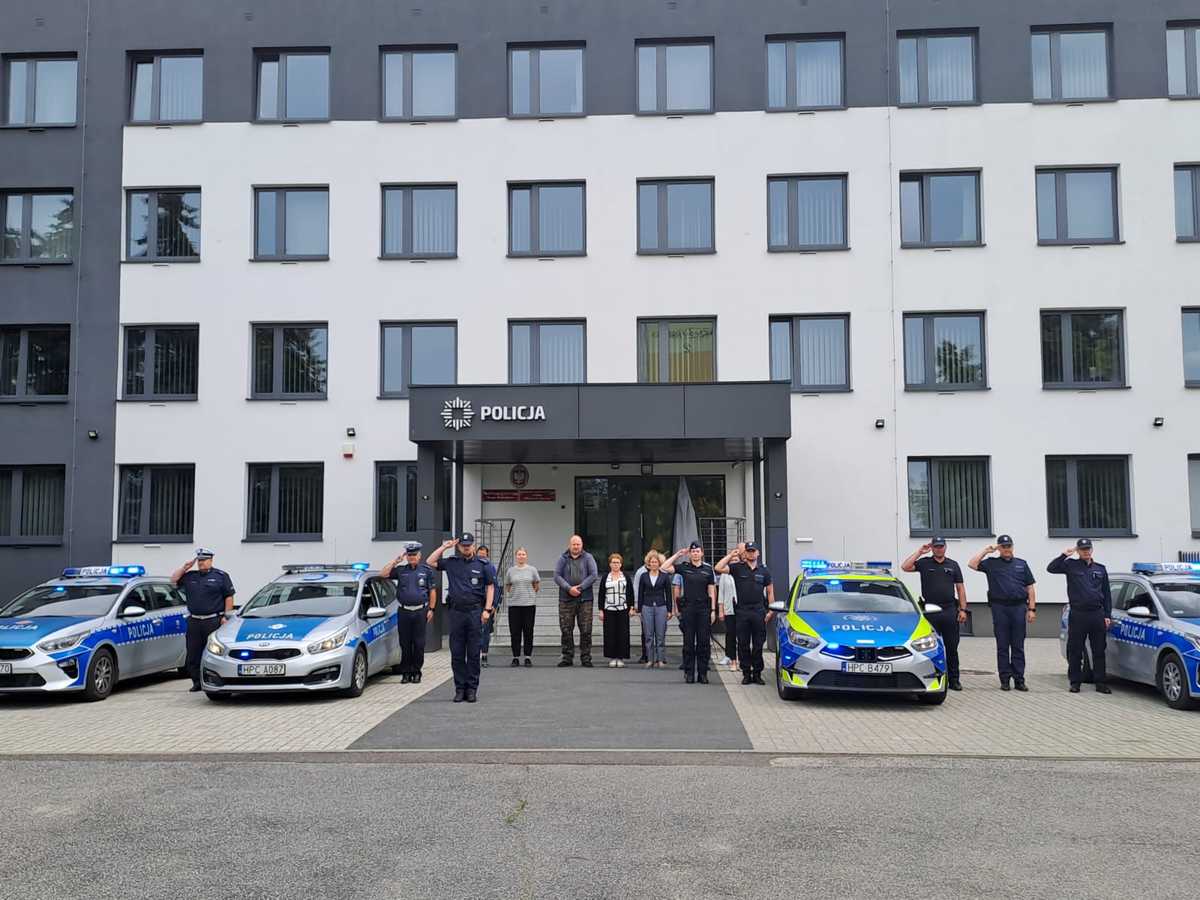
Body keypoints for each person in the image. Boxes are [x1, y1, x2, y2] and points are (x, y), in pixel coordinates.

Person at [428, 533, 494, 703]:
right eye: (463, 545)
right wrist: (444, 547)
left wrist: (487, 609)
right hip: (456, 613)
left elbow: (490, 587)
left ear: (473, 545)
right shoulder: (452, 563)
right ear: (458, 546)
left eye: (468, 545)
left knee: (473, 654)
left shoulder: (483, 564)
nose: (466, 547)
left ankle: (471, 689)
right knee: (457, 653)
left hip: (475, 612)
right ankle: (459, 689)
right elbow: (430, 561)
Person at [968, 535, 1037, 692]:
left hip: (1019, 607)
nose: (1007, 549)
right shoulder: (991, 563)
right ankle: (1005, 679)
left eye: (1009, 546)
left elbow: (1030, 587)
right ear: (999, 548)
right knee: (1003, 645)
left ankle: (1019, 679)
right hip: (1000, 608)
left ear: (1012, 547)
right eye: (1003, 546)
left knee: (1018, 645)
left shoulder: (1021, 564)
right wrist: (986, 551)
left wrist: (1032, 609)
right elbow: (972, 564)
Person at [901, 537, 968, 691]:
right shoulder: (924, 563)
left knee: (952, 647)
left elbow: (960, 588)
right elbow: (905, 567)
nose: (939, 549)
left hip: (949, 610)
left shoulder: (953, 565)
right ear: (932, 548)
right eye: (936, 546)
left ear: (945, 547)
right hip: (930, 610)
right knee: (929, 648)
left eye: (941, 546)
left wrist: (963, 609)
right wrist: (919, 552)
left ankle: (954, 680)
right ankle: (932, 679)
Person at [1047, 539, 1113, 695]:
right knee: (1075, 650)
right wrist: (1064, 555)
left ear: (1092, 550)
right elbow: (1051, 568)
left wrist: (1107, 615)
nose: (1086, 551)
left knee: (1099, 650)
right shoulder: (1071, 565)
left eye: (1088, 548)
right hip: (1078, 613)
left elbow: (1107, 594)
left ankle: (1100, 682)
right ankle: (1075, 682)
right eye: (1082, 549)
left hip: (1097, 613)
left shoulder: (1100, 569)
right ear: (1078, 551)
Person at [170, 548, 235, 693]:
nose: (201, 563)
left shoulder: (221, 576)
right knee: (193, 653)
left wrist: (226, 616)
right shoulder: (190, 576)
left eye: (204, 560)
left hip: (213, 620)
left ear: (211, 560)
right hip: (194, 621)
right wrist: (185, 567)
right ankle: (197, 682)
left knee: (214, 652)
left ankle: (214, 680)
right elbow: (173, 581)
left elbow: (229, 596)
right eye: (199, 560)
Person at [715, 541, 775, 685]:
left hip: (758, 611)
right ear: (745, 553)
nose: (751, 554)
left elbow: (770, 591)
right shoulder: (737, 568)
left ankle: (757, 673)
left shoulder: (764, 571)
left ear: (758, 553)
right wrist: (731, 555)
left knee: (758, 645)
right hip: (742, 612)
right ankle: (746, 673)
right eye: (748, 551)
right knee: (743, 644)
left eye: (753, 551)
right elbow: (718, 568)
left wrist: (771, 610)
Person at [381, 541, 437, 684]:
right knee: (405, 643)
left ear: (419, 556)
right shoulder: (401, 570)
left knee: (419, 644)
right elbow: (383, 574)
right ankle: (406, 672)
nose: (412, 557)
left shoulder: (426, 571)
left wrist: (431, 609)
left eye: (414, 555)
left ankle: (416, 671)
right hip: (404, 611)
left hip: (420, 611)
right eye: (409, 555)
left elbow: (432, 591)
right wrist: (395, 561)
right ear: (406, 556)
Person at [665, 542, 720, 684]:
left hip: (704, 609)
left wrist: (713, 610)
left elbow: (711, 591)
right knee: (688, 643)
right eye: (693, 552)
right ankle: (689, 673)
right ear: (690, 554)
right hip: (688, 609)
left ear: (702, 553)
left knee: (703, 643)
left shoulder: (708, 570)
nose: (695, 554)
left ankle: (703, 674)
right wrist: (678, 554)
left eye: (697, 551)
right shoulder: (684, 567)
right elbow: (664, 567)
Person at [553, 534, 598, 668]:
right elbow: (556, 576)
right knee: (566, 629)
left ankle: (586, 657)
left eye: (578, 544)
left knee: (586, 630)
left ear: (582, 545)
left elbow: (594, 575)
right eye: (574, 544)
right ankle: (567, 657)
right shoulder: (563, 558)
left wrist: (580, 587)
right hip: (566, 599)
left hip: (585, 599)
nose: (576, 547)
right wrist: (569, 588)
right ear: (570, 545)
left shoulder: (588, 558)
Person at [636, 550, 673, 668]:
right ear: (648, 563)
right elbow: (640, 593)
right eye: (651, 562)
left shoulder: (665, 576)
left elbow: (668, 594)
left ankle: (660, 659)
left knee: (660, 635)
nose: (653, 564)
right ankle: (650, 659)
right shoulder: (643, 576)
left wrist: (669, 610)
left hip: (661, 607)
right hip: (646, 607)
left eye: (655, 562)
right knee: (648, 635)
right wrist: (639, 610)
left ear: (659, 563)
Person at [504, 547, 539, 667]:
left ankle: (528, 657)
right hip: (514, 605)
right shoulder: (510, 571)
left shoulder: (532, 570)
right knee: (515, 632)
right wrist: (514, 594)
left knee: (528, 631)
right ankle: (516, 657)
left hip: (529, 605)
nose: (521, 556)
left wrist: (530, 594)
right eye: (519, 554)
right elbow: (508, 585)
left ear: (526, 556)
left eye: (523, 554)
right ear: (516, 556)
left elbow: (536, 584)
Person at [598, 553, 634, 667]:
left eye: (618, 562)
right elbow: (601, 594)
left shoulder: (625, 576)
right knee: (610, 634)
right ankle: (612, 657)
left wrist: (631, 607)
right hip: (609, 609)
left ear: (621, 564)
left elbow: (630, 592)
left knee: (622, 634)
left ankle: (620, 657)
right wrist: (600, 610)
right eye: (613, 562)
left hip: (623, 609)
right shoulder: (605, 577)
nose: (615, 564)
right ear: (610, 564)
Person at [476, 544, 502, 668]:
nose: (481, 555)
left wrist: (494, 605)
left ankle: (484, 655)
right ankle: (474, 655)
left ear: (487, 555)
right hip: (474, 605)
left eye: (484, 553)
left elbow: (495, 588)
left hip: (487, 605)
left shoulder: (490, 567)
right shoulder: (472, 566)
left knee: (485, 631)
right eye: (479, 553)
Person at [631, 559, 649, 665]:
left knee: (659, 632)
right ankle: (645, 654)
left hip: (658, 604)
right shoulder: (640, 571)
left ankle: (659, 655)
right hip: (644, 604)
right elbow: (636, 588)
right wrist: (636, 604)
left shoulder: (660, 570)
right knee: (645, 631)